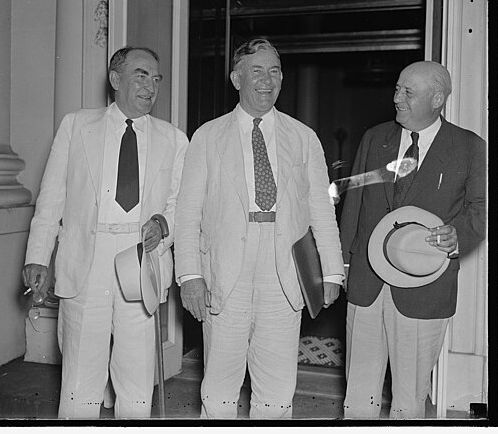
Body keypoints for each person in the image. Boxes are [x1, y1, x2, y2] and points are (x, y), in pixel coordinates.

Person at [174, 38, 345, 419]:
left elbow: (321, 210)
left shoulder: (303, 138)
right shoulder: (207, 136)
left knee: (277, 386)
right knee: (219, 384)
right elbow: (187, 214)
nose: (267, 80)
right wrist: (189, 275)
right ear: (236, 79)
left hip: (284, 269)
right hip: (224, 267)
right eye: (256, 71)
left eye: (274, 71)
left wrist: (331, 271)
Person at [22, 46, 188, 419]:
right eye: (141, 75)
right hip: (87, 259)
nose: (151, 86)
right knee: (81, 375)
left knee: (137, 377)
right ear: (116, 80)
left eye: (156, 78)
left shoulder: (175, 139)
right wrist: (37, 255)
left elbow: (180, 203)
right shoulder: (77, 125)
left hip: (141, 258)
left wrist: (163, 225)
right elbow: (51, 197)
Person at [339, 61, 486, 418]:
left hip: (425, 288)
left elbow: (481, 210)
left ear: (437, 99)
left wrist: (457, 237)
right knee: (358, 396)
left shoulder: (470, 147)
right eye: (397, 89)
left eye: (408, 92)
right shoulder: (375, 138)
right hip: (366, 284)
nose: (396, 98)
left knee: (409, 399)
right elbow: (354, 202)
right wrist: (342, 265)